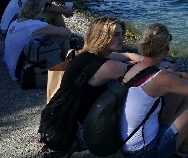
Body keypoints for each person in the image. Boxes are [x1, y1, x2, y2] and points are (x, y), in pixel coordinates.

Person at [59, 17, 174, 149]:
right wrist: (166, 69)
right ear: (102, 37)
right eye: (117, 35)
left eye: (122, 34)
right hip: (82, 133)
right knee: (148, 86)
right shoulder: (107, 67)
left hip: (74, 122)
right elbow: (148, 74)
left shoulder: (90, 55)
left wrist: (157, 63)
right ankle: (161, 135)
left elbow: (128, 56)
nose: (122, 38)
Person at [119, 23, 188, 158]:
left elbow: (180, 76)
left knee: (178, 95)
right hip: (145, 152)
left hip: (127, 145)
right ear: (167, 47)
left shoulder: (137, 68)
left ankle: (185, 143)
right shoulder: (161, 77)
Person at [3, 0, 71, 81]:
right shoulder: (34, 24)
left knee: (54, 34)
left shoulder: (16, 22)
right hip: (23, 72)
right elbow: (67, 32)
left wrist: (51, 32)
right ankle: (70, 65)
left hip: (12, 68)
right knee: (62, 37)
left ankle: (66, 62)